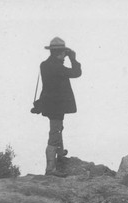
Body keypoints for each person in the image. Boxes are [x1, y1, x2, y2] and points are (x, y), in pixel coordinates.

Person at [39, 37, 82, 177]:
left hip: (49, 104)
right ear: (60, 52)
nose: (65, 55)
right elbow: (76, 73)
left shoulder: (45, 65)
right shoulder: (57, 66)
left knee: (57, 129)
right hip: (57, 105)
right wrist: (73, 59)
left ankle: (60, 154)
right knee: (55, 133)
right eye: (64, 52)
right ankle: (51, 169)